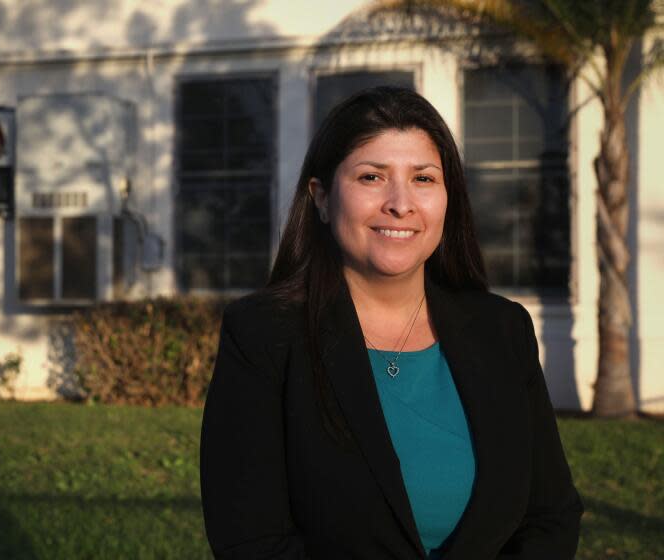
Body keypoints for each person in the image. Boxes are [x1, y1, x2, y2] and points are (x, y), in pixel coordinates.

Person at [199, 86, 583, 559]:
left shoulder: (502, 330)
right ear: (321, 198)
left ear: (449, 198)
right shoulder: (263, 335)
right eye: (371, 177)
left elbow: (551, 516)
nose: (401, 203)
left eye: (423, 178)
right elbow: (250, 540)